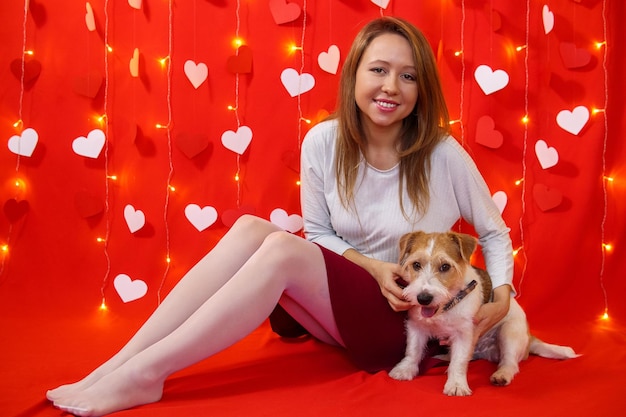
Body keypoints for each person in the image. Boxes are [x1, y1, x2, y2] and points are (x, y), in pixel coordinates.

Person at [47, 16, 513, 416]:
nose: (391, 87)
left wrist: (503, 296)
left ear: (422, 89)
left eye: (408, 77)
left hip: (409, 324)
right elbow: (320, 233)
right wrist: (372, 265)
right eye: (379, 70)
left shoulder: (443, 153)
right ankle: (119, 364)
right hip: (343, 306)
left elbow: (493, 232)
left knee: (284, 251)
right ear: (354, 76)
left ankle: (146, 375)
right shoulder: (323, 141)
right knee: (252, 229)